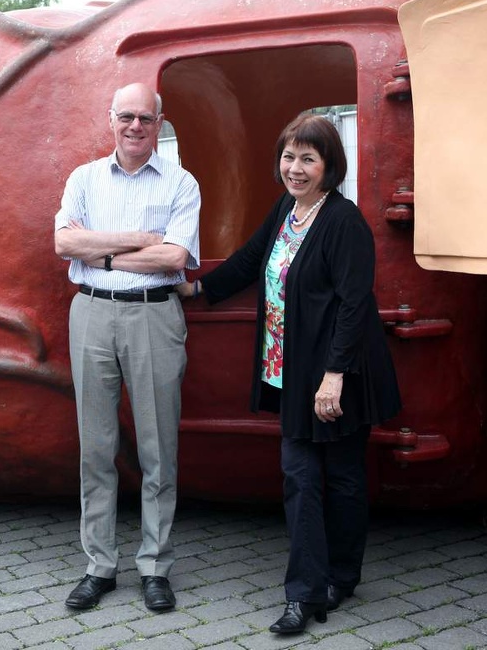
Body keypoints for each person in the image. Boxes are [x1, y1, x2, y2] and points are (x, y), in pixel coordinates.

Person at [178, 113, 400, 633]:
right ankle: (312, 589)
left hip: (336, 375)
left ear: (329, 165)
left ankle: (332, 582)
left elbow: (353, 304)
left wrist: (334, 376)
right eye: (288, 156)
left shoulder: (344, 222)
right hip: (293, 371)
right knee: (303, 479)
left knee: (341, 479)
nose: (295, 168)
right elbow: (252, 258)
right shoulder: (286, 209)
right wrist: (197, 289)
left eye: (307, 158)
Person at [53, 82, 201, 612]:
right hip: (90, 312)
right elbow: (65, 244)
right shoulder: (84, 178)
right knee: (96, 446)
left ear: (160, 123)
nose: (135, 126)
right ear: (110, 119)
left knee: (159, 448)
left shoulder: (182, 183)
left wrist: (106, 252)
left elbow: (175, 258)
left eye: (146, 118)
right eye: (126, 117)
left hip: (154, 316)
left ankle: (155, 566)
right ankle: (100, 566)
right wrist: (140, 239)